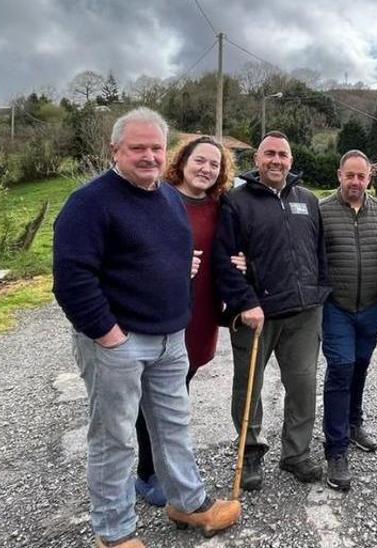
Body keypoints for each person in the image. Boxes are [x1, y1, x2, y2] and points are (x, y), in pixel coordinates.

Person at [52, 108, 239, 546]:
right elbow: (72, 280)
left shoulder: (169, 198)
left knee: (174, 427)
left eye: (156, 147)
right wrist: (109, 335)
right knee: (113, 437)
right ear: (115, 150)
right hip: (117, 342)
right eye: (138, 148)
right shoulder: (89, 203)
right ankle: (114, 533)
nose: (149, 156)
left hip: (170, 339)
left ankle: (187, 503)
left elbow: (177, 262)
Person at [213, 130, 330, 491]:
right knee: (248, 386)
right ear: (257, 160)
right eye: (269, 154)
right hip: (256, 314)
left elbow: (319, 253)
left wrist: (318, 292)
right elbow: (224, 259)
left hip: (303, 312)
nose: (276, 160)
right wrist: (245, 302)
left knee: (303, 385)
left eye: (283, 154)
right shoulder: (236, 201)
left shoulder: (308, 200)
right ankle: (249, 452)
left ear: (291, 161)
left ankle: (296, 453)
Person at [132, 136, 243, 508]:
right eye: (201, 160)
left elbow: (229, 249)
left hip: (201, 314)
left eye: (215, 164)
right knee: (153, 396)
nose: (207, 169)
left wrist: (242, 263)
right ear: (183, 160)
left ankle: (169, 464)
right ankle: (148, 473)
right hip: (160, 312)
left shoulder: (219, 206)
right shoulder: (158, 198)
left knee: (177, 393)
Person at [317, 150, 377, 491]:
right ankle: (336, 449)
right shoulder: (320, 212)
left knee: (360, 366)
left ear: (370, 178)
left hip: (372, 309)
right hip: (336, 307)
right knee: (341, 368)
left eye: (361, 176)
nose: (355, 182)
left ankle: (353, 423)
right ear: (339, 175)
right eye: (349, 176)